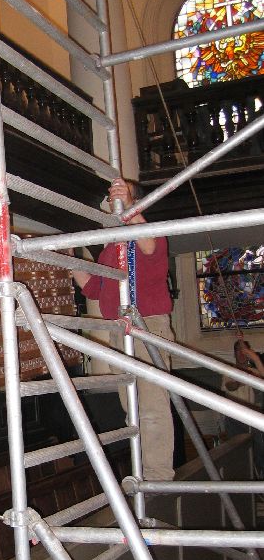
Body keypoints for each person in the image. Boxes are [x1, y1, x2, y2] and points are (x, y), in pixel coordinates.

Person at [70, 177, 175, 481]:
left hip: (146, 323)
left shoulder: (145, 234)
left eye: (118, 201)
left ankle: (158, 477)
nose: (112, 208)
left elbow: (151, 247)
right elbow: (93, 287)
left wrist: (129, 207)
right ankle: (143, 472)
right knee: (132, 406)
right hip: (119, 326)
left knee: (151, 405)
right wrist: (70, 258)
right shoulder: (111, 247)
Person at [221, 338, 264, 479]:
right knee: (237, 450)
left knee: (259, 447)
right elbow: (230, 386)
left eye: (244, 351)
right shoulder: (229, 370)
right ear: (234, 354)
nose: (241, 354)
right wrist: (244, 379)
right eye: (238, 351)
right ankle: (241, 480)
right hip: (234, 417)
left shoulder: (254, 371)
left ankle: (260, 477)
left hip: (252, 416)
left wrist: (255, 360)